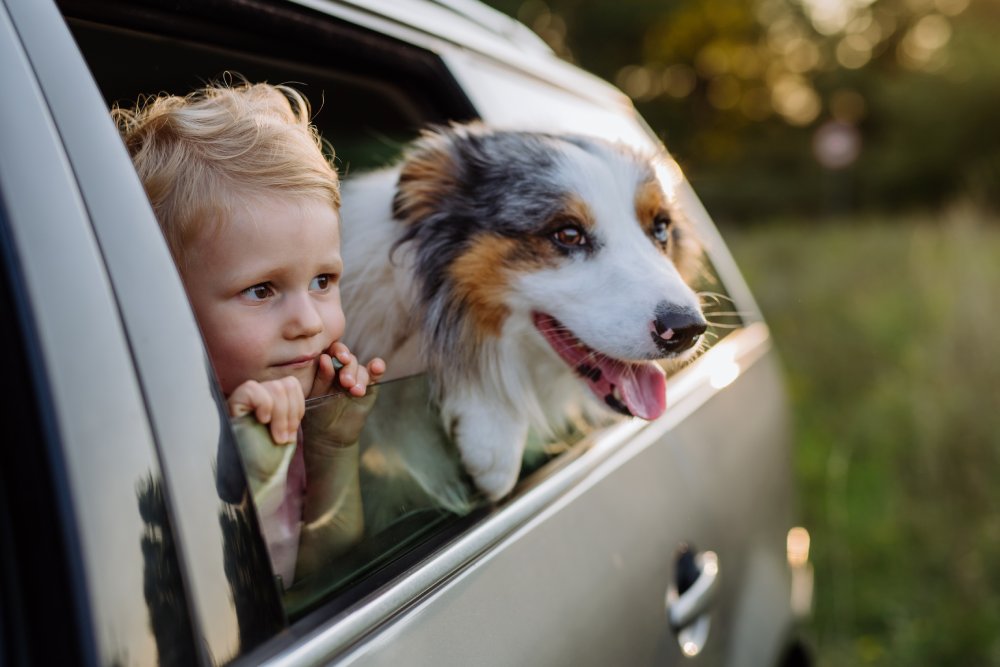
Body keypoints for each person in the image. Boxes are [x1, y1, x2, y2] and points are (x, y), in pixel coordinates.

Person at [114, 79, 384, 587]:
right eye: (262, 290)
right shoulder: (147, 442)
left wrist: (333, 450)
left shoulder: (302, 416)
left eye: (323, 280)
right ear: (162, 304)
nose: (308, 322)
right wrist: (249, 483)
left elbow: (326, 576)